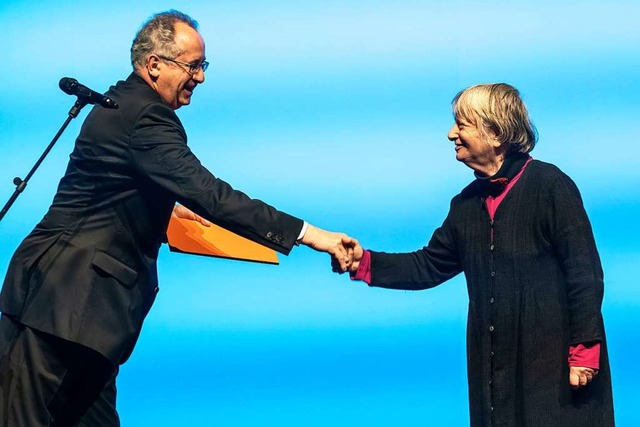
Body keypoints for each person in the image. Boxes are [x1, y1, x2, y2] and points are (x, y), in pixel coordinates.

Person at [0, 10, 355, 426]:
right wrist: (311, 235)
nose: (200, 77)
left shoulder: (122, 107)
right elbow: (211, 195)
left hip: (83, 318)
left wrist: (163, 208)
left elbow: (112, 196)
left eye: (203, 66)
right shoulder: (145, 117)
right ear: (154, 64)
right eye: (193, 66)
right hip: (61, 309)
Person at [342, 83, 614, 426]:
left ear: (496, 132)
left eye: (462, 124)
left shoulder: (551, 186)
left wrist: (584, 351)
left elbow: (584, 272)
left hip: (556, 370)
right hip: (495, 374)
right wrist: (363, 262)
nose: (451, 133)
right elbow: (428, 265)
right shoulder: (466, 205)